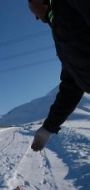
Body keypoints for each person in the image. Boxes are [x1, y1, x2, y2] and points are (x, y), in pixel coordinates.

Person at [28, 0, 90, 151]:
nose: (35, 18)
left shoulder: (69, 5)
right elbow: (71, 85)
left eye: (32, 10)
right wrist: (48, 127)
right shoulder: (58, 28)